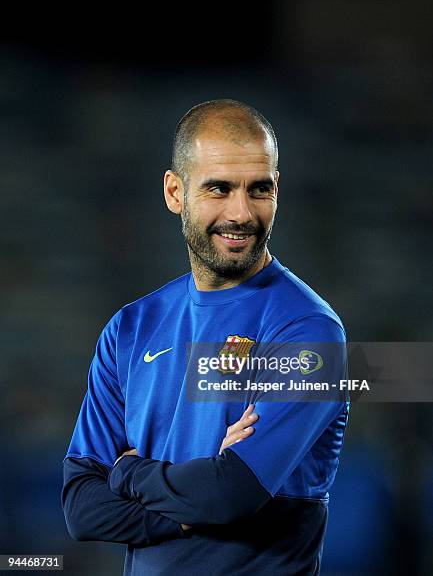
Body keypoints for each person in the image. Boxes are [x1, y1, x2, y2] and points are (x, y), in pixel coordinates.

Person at [62, 99, 349, 575]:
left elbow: (230, 494)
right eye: (219, 188)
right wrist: (191, 500)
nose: (241, 213)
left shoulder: (309, 331)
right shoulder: (130, 328)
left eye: (259, 189)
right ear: (175, 192)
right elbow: (81, 507)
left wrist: (128, 471)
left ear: (277, 189)